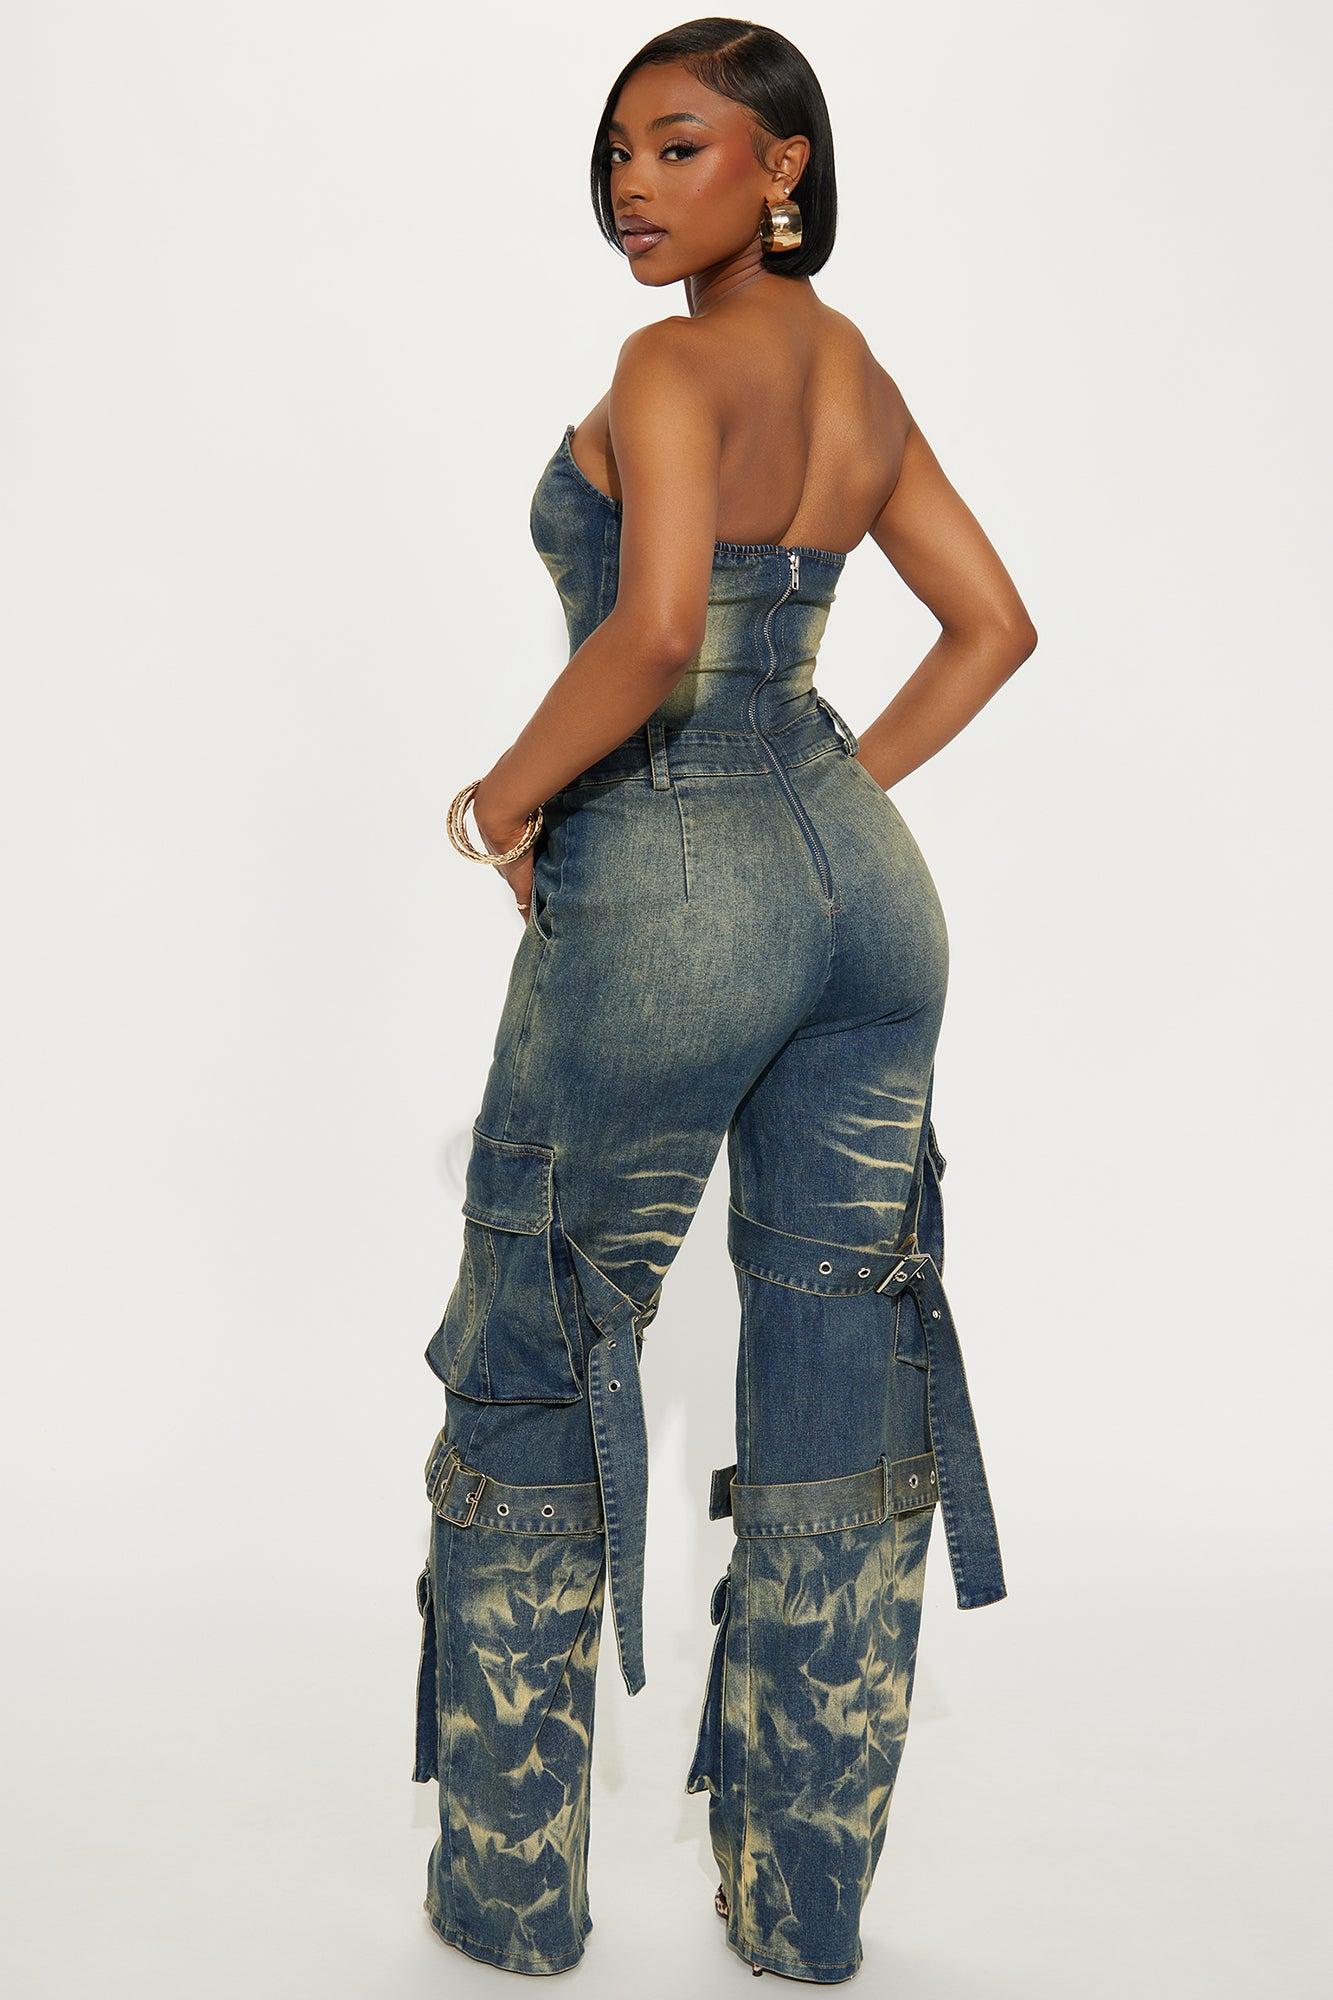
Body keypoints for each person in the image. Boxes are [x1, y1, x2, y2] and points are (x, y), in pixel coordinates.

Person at [412, 17, 1037, 1985]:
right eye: (616, 150)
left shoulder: (667, 368)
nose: (630, 184)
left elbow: (657, 628)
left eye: (678, 146)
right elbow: (993, 625)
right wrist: (826, 805)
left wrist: (499, 801)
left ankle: (509, 1904)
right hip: (869, 907)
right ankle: (800, 1908)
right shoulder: (858, 379)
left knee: (537, 1337)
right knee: (847, 1355)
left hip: (670, 886)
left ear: (781, 169)